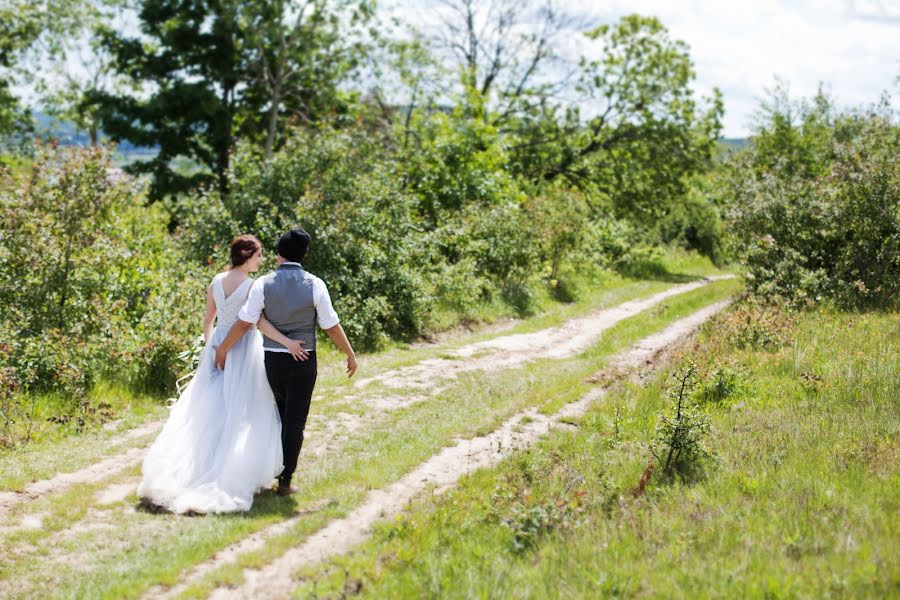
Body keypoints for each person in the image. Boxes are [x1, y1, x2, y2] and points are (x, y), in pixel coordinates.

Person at [138, 235, 306, 514]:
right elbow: (257, 322)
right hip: (242, 349)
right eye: (258, 255)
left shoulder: (216, 281)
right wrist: (286, 342)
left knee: (209, 409)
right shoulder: (252, 286)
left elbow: (208, 320)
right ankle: (230, 471)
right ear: (245, 254)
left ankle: (202, 464)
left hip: (216, 347)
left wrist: (210, 348)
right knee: (244, 410)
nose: (260, 260)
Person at [215, 228, 357, 497]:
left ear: (279, 254)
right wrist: (349, 353)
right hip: (304, 361)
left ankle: (270, 471)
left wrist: (223, 348)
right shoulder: (315, 284)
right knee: (295, 422)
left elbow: (245, 322)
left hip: (272, 361)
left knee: (277, 415)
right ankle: (285, 480)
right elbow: (331, 325)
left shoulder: (262, 284)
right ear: (303, 255)